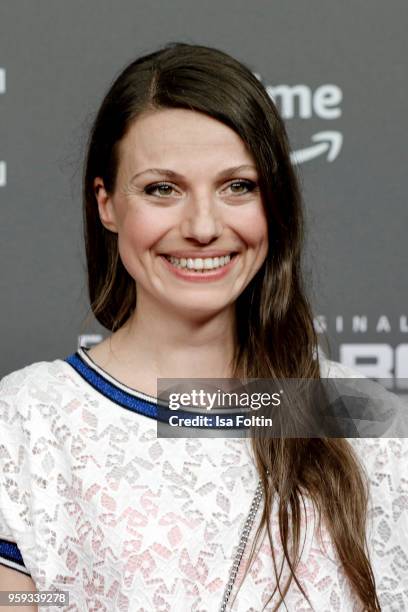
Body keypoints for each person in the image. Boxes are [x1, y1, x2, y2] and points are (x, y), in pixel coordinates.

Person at [0, 42, 407, 612]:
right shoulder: (24, 426)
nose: (202, 226)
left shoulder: (362, 419)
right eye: (161, 189)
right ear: (107, 204)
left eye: (237, 186)